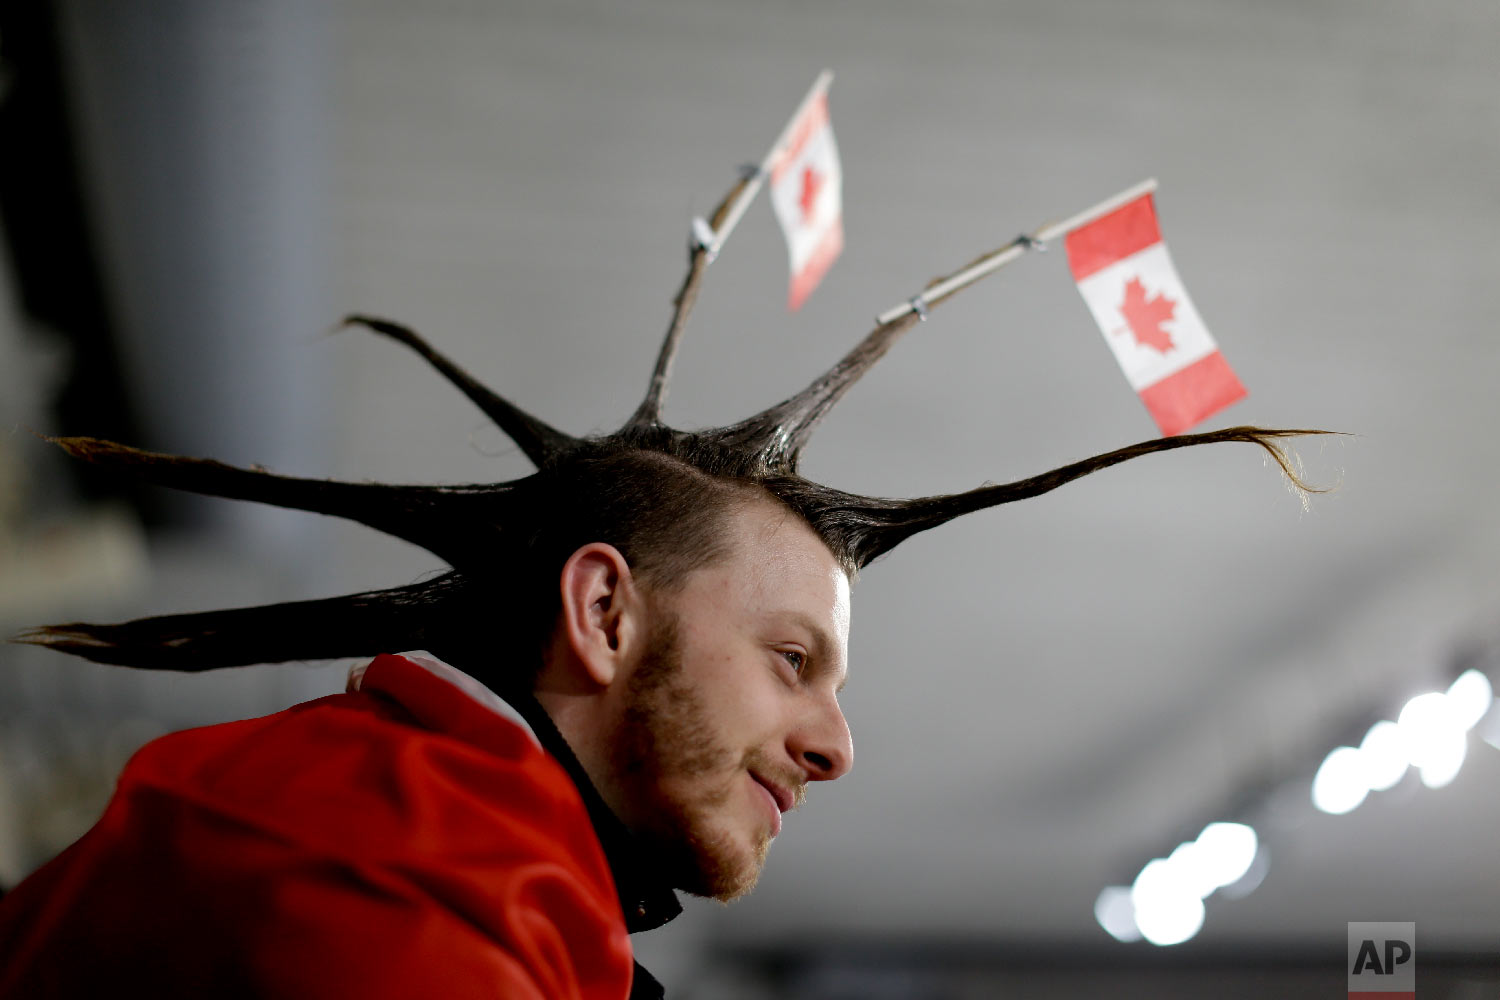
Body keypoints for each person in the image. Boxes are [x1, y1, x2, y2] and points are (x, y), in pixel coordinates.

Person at [0, 302, 1322, 998]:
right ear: (605, 615)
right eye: (792, 660)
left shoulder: (413, 824)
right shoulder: (390, 870)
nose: (839, 745)